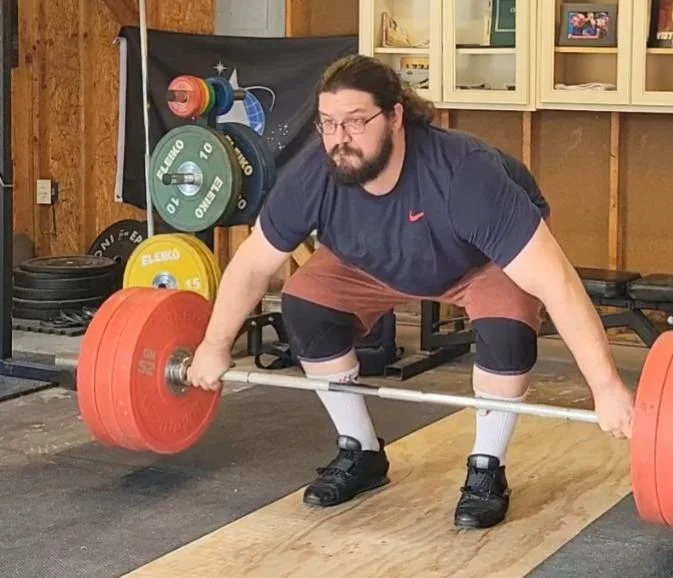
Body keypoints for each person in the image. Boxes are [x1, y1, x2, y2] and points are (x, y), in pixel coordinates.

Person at [187, 54, 635, 529]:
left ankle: (486, 467)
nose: (340, 139)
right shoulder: (315, 174)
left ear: (396, 116)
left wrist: (606, 389)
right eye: (328, 124)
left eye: (356, 122)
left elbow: (556, 281)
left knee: (508, 332)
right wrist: (213, 346)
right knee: (305, 305)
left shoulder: (464, 175)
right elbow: (253, 265)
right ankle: (361, 452)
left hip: (477, 259)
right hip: (371, 257)